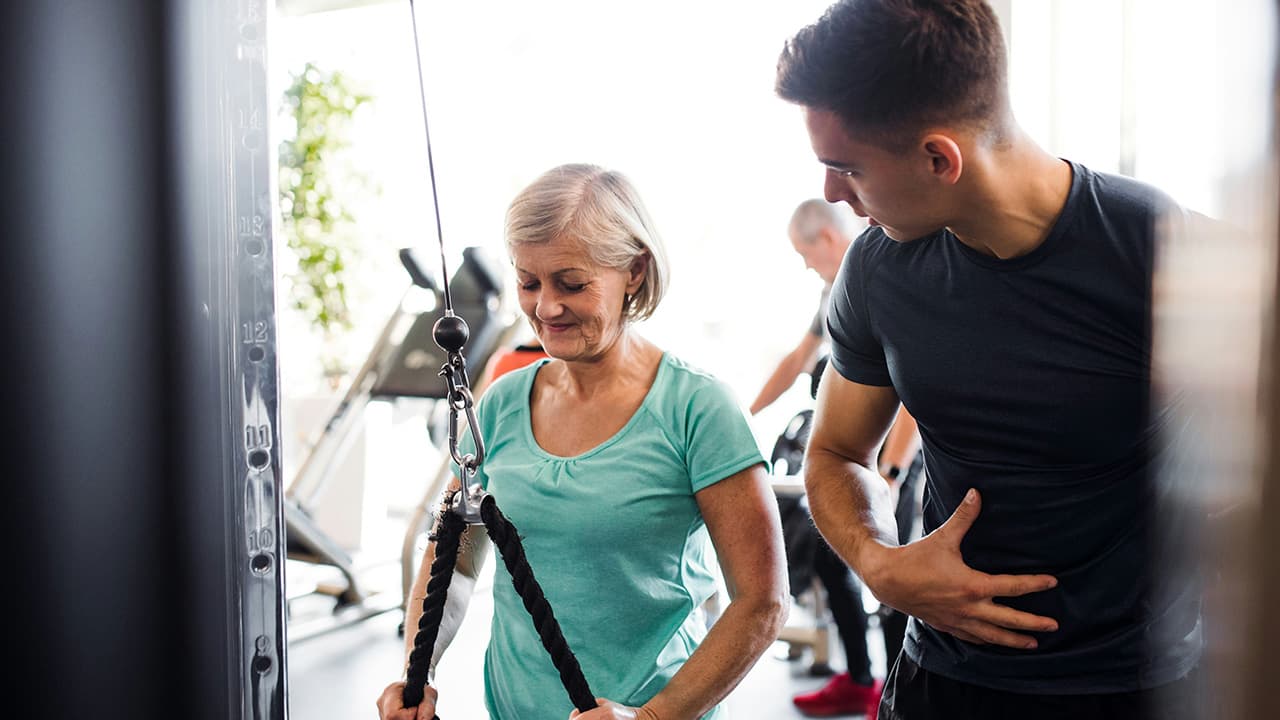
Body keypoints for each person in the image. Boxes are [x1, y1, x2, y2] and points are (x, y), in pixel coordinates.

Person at [774, 2, 1205, 719]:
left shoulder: (1160, 249)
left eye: (847, 169)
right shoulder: (878, 272)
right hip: (942, 683)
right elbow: (837, 452)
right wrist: (881, 564)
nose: (831, 195)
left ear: (940, 159)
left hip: (1137, 686)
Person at [376, 163, 788, 720]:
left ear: (634, 272)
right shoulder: (500, 403)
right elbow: (458, 557)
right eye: (529, 283)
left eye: (571, 283)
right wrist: (416, 672)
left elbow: (761, 604)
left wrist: (651, 719)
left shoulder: (698, 408)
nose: (545, 308)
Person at [751, 199, 923, 717]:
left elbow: (911, 393)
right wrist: (744, 414)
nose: (805, 263)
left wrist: (889, 473)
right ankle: (864, 679)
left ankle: (898, 693)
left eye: (805, 252)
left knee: (900, 573)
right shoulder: (836, 289)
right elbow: (796, 361)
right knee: (831, 551)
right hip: (858, 456)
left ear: (826, 237)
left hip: (897, 458)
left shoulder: (886, 274)